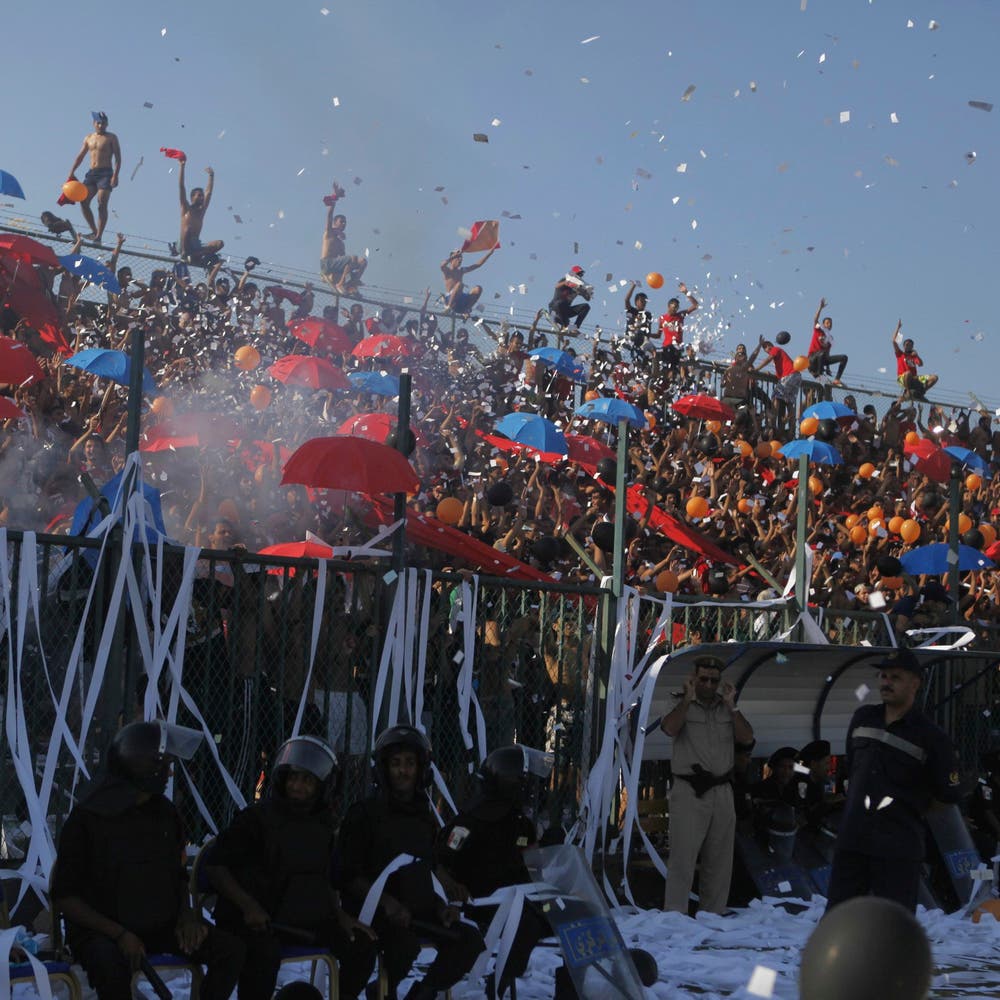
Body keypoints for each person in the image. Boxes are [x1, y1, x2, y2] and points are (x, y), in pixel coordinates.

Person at [51, 721, 245, 1000]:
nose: (170, 771)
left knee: (231, 950)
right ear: (144, 767)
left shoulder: (165, 813)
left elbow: (176, 876)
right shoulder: (86, 819)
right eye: (165, 763)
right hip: (102, 932)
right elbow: (64, 897)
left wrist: (186, 917)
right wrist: (119, 935)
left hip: (158, 924)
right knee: (111, 967)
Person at [206, 735, 377, 1000]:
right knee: (263, 954)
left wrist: (341, 917)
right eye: (293, 778)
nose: (297, 786)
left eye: (307, 780)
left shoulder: (323, 827)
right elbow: (215, 866)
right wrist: (248, 906)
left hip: (306, 918)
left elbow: (325, 879)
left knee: (362, 947)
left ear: (321, 786)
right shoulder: (255, 819)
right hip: (259, 922)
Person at [337, 725, 484, 1000]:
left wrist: (442, 907)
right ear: (383, 768)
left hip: (418, 910)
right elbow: (346, 875)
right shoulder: (364, 815)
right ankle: (383, 991)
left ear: (421, 769)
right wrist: (387, 903)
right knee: (403, 946)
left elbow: (426, 869)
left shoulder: (424, 817)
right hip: (376, 913)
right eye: (395, 764)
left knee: (469, 940)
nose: (403, 771)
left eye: (409, 763)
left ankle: (422, 995)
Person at [825, 647, 965, 913]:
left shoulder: (931, 737)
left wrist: (907, 812)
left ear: (915, 683)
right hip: (853, 841)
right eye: (883, 676)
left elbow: (946, 795)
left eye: (895, 677)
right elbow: (852, 768)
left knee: (893, 926)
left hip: (897, 847)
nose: (886, 683)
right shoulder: (863, 718)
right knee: (837, 920)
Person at [436, 744, 553, 999]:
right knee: (528, 925)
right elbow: (440, 861)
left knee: (563, 916)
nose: (528, 786)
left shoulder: (520, 823)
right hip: (482, 903)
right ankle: (500, 981)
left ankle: (578, 983)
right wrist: (452, 888)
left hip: (521, 899)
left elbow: (533, 862)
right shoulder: (468, 823)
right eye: (522, 780)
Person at [659, 654, 754, 914]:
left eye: (714, 680)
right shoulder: (679, 702)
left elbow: (747, 737)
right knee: (683, 857)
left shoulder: (726, 707)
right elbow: (669, 728)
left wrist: (732, 706)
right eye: (704, 679)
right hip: (690, 789)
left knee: (720, 858)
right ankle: (675, 915)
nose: (709, 685)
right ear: (693, 678)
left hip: (721, 789)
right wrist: (688, 699)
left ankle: (713, 912)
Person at [65, 111, 122, 245]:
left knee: (101, 203)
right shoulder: (88, 138)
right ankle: (94, 231)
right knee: (83, 201)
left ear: (107, 124)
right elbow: (80, 156)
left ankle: (99, 236)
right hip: (92, 173)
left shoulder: (111, 137)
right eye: (98, 123)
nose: (101, 125)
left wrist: (115, 175)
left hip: (106, 173)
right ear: (94, 123)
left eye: (103, 123)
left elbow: (118, 158)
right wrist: (71, 172)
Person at [320, 184, 368, 295]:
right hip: (326, 264)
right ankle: (341, 284)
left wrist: (353, 274)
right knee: (353, 258)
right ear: (335, 223)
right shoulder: (329, 233)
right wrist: (335, 196)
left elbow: (346, 263)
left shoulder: (341, 243)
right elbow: (329, 215)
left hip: (336, 267)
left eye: (345, 222)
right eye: (341, 221)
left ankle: (352, 283)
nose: (344, 224)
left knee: (362, 262)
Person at [179, 158, 224, 267]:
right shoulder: (186, 209)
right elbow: (181, 187)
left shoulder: (201, 212)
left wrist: (211, 176)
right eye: (199, 195)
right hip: (184, 244)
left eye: (202, 196)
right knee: (188, 229)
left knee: (219, 243)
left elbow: (209, 193)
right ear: (192, 197)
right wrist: (182, 166)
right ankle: (185, 255)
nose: (201, 197)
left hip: (196, 245)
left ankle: (195, 256)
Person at [754, 334, 801, 429]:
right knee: (789, 402)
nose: (768, 347)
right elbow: (779, 376)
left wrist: (757, 369)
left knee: (775, 396)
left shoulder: (775, 349)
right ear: (765, 351)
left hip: (789, 375)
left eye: (768, 344)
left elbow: (768, 360)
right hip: (796, 376)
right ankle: (792, 428)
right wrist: (771, 375)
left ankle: (772, 422)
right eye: (765, 347)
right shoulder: (778, 360)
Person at [657, 282, 698, 380]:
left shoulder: (680, 316)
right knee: (664, 366)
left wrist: (686, 292)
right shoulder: (662, 318)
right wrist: (647, 334)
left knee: (674, 367)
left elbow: (695, 305)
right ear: (669, 306)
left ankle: (673, 378)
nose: (675, 309)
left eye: (677, 307)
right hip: (666, 347)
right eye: (673, 306)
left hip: (677, 347)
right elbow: (658, 334)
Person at [441, 247, 495, 316]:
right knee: (460, 284)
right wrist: (455, 255)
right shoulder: (447, 271)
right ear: (452, 260)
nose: (460, 260)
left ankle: (466, 309)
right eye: (458, 258)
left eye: (461, 258)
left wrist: (489, 253)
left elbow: (477, 265)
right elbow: (442, 265)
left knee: (478, 289)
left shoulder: (461, 270)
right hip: (451, 299)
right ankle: (448, 307)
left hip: (461, 299)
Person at [892, 320, 938, 399]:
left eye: (910, 345)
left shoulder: (913, 356)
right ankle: (908, 391)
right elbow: (894, 341)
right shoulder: (900, 354)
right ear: (904, 346)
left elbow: (920, 364)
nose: (908, 346)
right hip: (902, 378)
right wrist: (898, 328)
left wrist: (917, 355)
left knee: (934, 377)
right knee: (908, 373)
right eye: (906, 345)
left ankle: (920, 392)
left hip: (914, 378)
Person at [807, 298, 848, 385]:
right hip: (812, 358)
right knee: (821, 353)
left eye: (831, 323)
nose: (829, 324)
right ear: (823, 324)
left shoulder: (830, 338)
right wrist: (820, 308)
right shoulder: (819, 329)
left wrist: (828, 368)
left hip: (822, 359)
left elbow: (827, 353)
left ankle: (837, 379)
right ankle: (820, 374)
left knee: (844, 357)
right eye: (827, 322)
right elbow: (815, 319)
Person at [548, 266, 592, 332]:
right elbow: (557, 286)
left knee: (586, 306)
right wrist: (568, 283)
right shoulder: (566, 280)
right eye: (578, 274)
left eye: (581, 275)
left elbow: (588, 299)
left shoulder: (579, 287)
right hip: (555, 309)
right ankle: (565, 325)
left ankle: (574, 328)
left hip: (565, 310)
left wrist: (584, 292)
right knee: (560, 303)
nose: (580, 276)